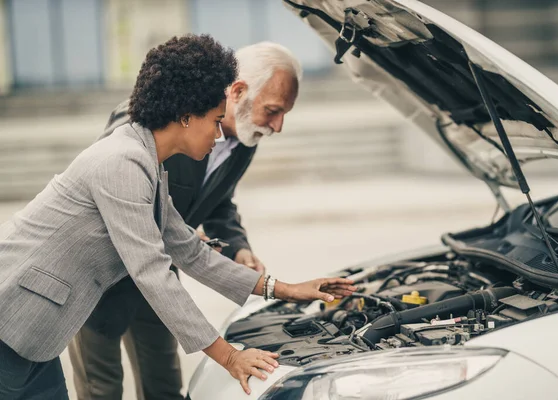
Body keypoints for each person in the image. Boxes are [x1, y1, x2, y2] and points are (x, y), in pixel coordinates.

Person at [0, 34, 356, 400]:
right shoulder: (122, 161)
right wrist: (230, 356)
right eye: (217, 121)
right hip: (11, 316)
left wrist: (284, 289)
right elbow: (152, 270)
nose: (220, 135)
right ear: (186, 116)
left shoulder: (149, 165)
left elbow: (189, 251)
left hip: (36, 336)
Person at [68, 42, 303, 400]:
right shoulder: (145, 123)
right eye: (273, 110)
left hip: (161, 280)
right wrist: (228, 355)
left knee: (164, 386)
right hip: (102, 282)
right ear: (238, 92)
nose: (278, 126)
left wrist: (238, 249)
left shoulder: (244, 139)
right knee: (101, 390)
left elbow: (219, 201)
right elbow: (120, 197)